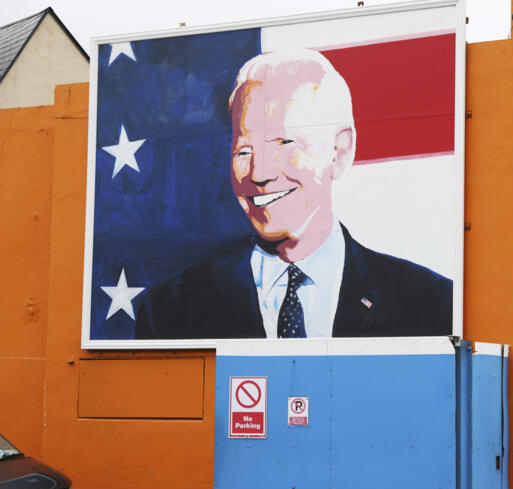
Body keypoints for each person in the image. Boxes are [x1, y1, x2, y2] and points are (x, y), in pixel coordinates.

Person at [135, 49, 452, 339]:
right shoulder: (170, 310)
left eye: (283, 143)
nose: (259, 174)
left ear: (339, 151)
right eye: (244, 150)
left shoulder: (430, 303)